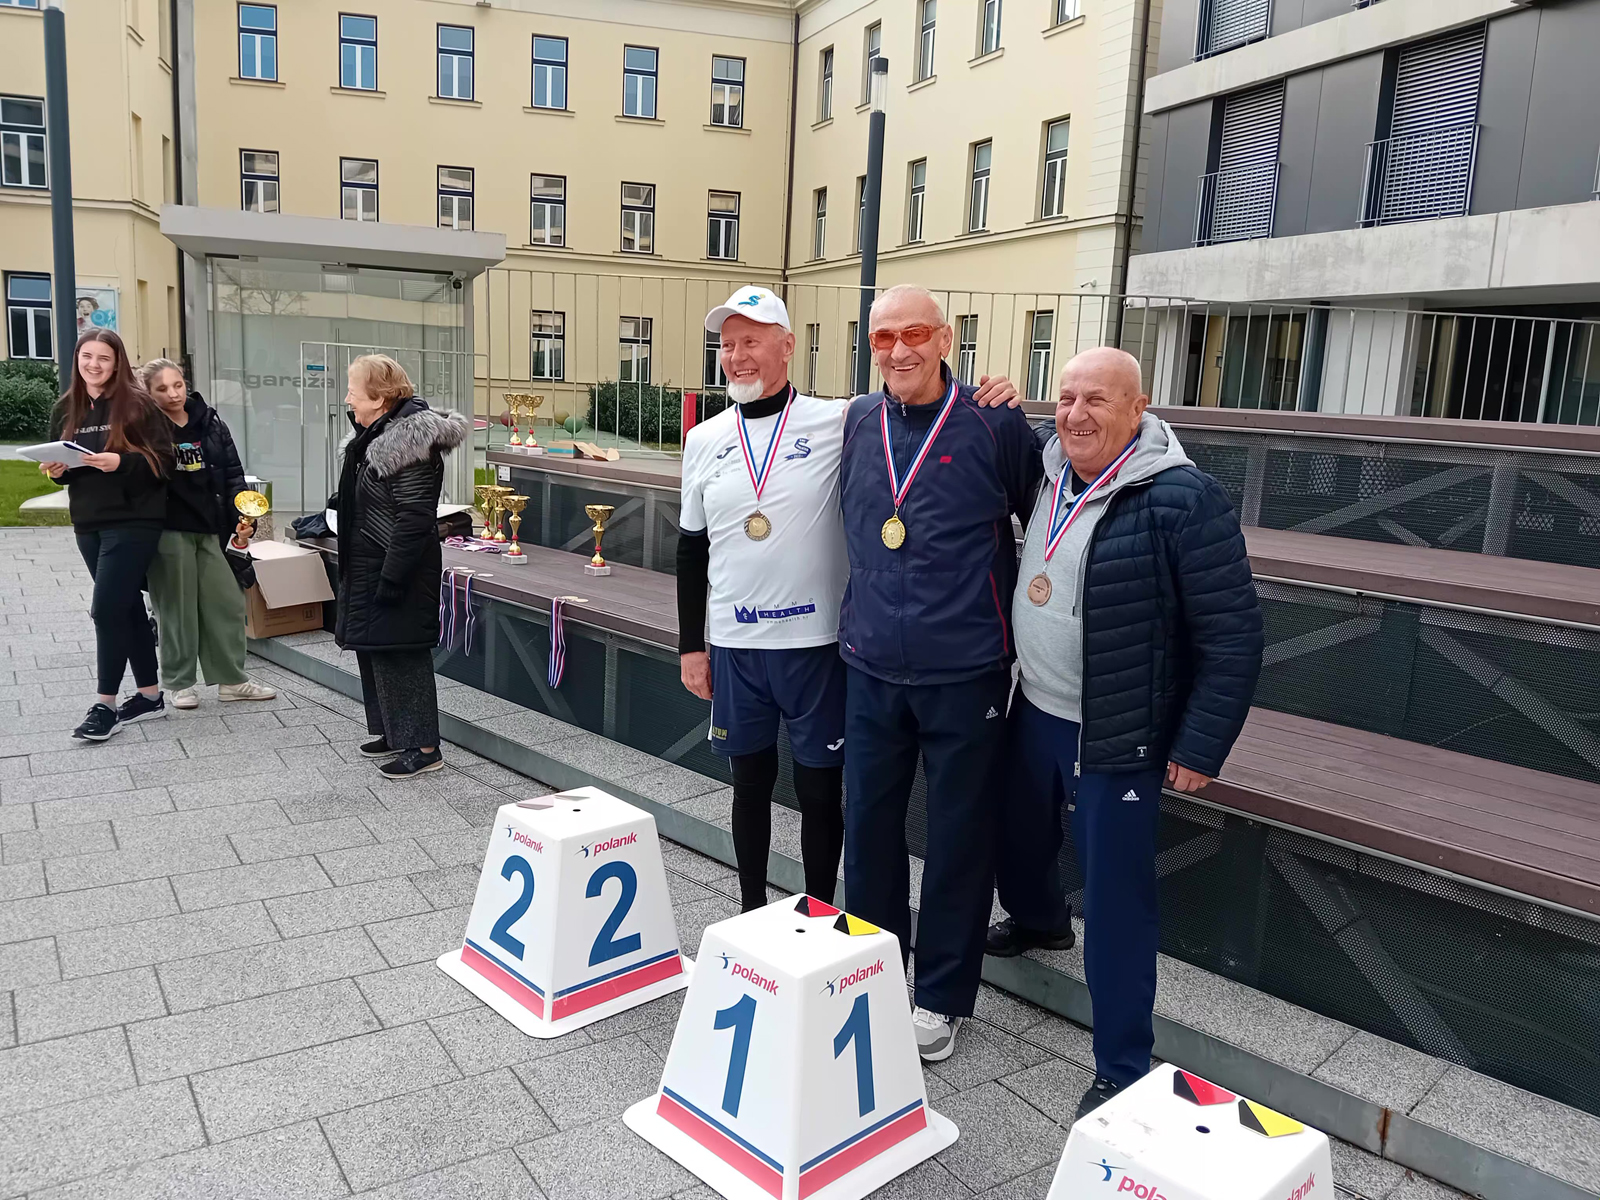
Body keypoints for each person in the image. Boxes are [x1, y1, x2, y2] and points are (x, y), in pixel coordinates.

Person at [988, 347, 1262, 1117]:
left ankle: (1121, 1064)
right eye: (1066, 397)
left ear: (1139, 409)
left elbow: (1234, 634)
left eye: (1097, 400)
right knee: (1017, 840)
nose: (1075, 414)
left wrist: (1200, 744)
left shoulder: (1183, 498)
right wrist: (1001, 400)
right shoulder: (1048, 472)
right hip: (1034, 705)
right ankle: (1041, 923)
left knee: (1115, 903)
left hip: (1116, 731)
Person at [837, 284, 1041, 1061]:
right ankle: (876, 971)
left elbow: (1046, 517)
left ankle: (943, 998)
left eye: (914, 333)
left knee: (958, 839)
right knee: (870, 831)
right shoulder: (858, 420)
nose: (898, 350)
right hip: (870, 665)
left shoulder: (994, 422)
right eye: (883, 337)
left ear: (946, 338)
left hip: (965, 670)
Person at [677, 287, 850, 912]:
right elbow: (691, 548)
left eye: (751, 341)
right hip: (735, 645)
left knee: (819, 791)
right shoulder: (704, 439)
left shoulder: (837, 421)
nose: (737, 356)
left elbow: (917, 403)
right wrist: (690, 647)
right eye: (727, 345)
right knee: (748, 784)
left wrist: (987, 394)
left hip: (815, 644)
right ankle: (751, 912)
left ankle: (819, 915)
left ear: (787, 346)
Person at [333, 354, 468, 778]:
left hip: (398, 565)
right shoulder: (375, 436)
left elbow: (413, 517)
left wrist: (392, 577)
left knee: (402, 654)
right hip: (371, 559)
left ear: (380, 398)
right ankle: (395, 733)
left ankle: (424, 748)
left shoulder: (408, 443)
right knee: (378, 648)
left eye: (354, 391)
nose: (348, 399)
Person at [40, 331, 173, 741]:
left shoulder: (138, 405)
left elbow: (165, 462)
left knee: (106, 610)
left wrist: (121, 462)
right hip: (88, 521)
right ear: (76, 358)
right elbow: (65, 467)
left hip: (134, 520)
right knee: (126, 606)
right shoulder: (66, 408)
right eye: (87, 356)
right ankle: (150, 696)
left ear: (117, 363)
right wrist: (57, 471)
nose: (93, 364)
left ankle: (105, 706)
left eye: (103, 358)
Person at [137, 359, 277, 709]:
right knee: (176, 609)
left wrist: (244, 519)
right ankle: (180, 684)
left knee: (226, 603)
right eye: (162, 389)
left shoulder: (210, 422)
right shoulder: (143, 428)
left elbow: (232, 473)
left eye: (178, 385)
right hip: (168, 530)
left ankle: (232, 680)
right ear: (148, 393)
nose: (173, 394)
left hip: (212, 527)